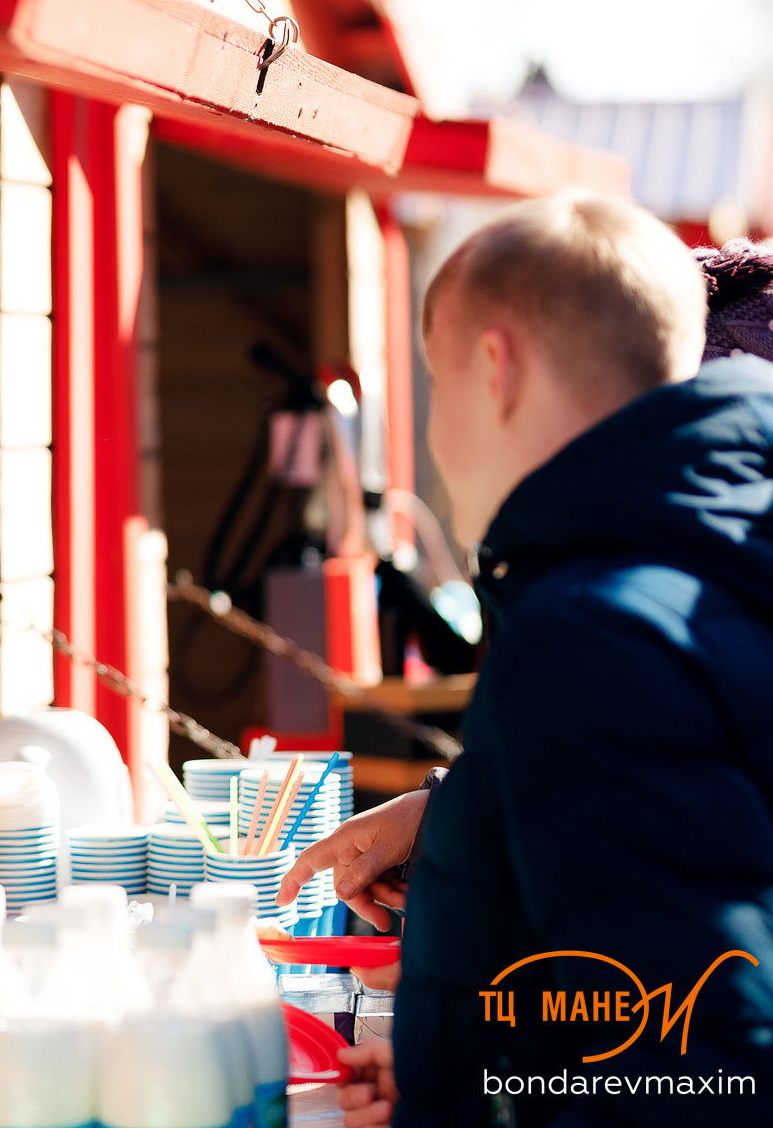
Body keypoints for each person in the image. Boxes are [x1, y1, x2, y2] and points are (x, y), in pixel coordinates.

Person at [311, 193, 773, 1127]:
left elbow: (699, 1067)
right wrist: (473, 1075)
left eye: (435, 384)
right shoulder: (714, 542)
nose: (433, 437)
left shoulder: (594, 634)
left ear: (498, 367)